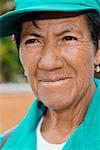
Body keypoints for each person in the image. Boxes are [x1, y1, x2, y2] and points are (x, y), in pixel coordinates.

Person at [0, 0, 100, 149]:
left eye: (68, 38)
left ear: (98, 50)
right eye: (32, 41)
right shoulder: (5, 144)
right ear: (17, 48)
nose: (49, 63)